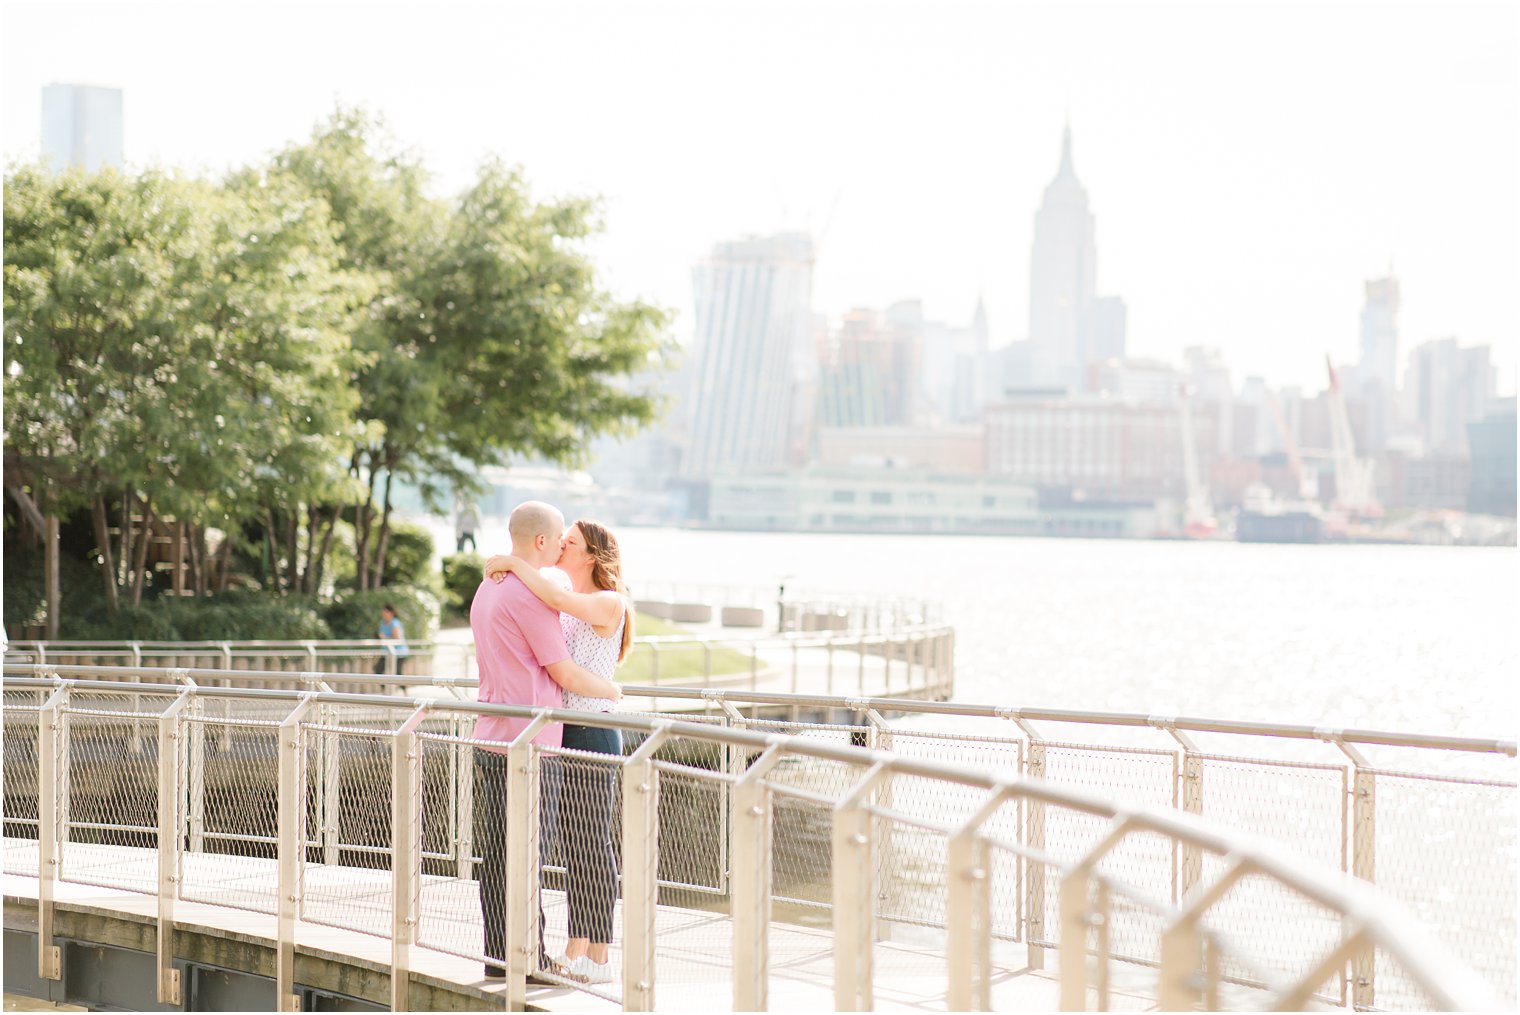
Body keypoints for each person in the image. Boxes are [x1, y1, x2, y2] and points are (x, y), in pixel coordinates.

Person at [470, 501, 623, 983]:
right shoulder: (548, 592)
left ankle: (594, 956)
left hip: (590, 729)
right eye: (560, 538)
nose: (562, 545)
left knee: (589, 842)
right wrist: (519, 565)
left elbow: (564, 654)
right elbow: (558, 648)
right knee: (567, 844)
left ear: (591, 554)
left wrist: (615, 691)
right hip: (550, 734)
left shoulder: (602, 601)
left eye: (571, 542)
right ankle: (566, 952)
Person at [376, 603, 408, 675]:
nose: (383, 614)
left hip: (398, 652)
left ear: (391, 613)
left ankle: (402, 686)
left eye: (385, 612)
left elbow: (396, 638)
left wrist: (385, 638)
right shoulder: (382, 623)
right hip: (387, 651)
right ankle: (388, 686)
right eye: (383, 612)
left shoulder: (395, 623)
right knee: (378, 670)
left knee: (397, 673)